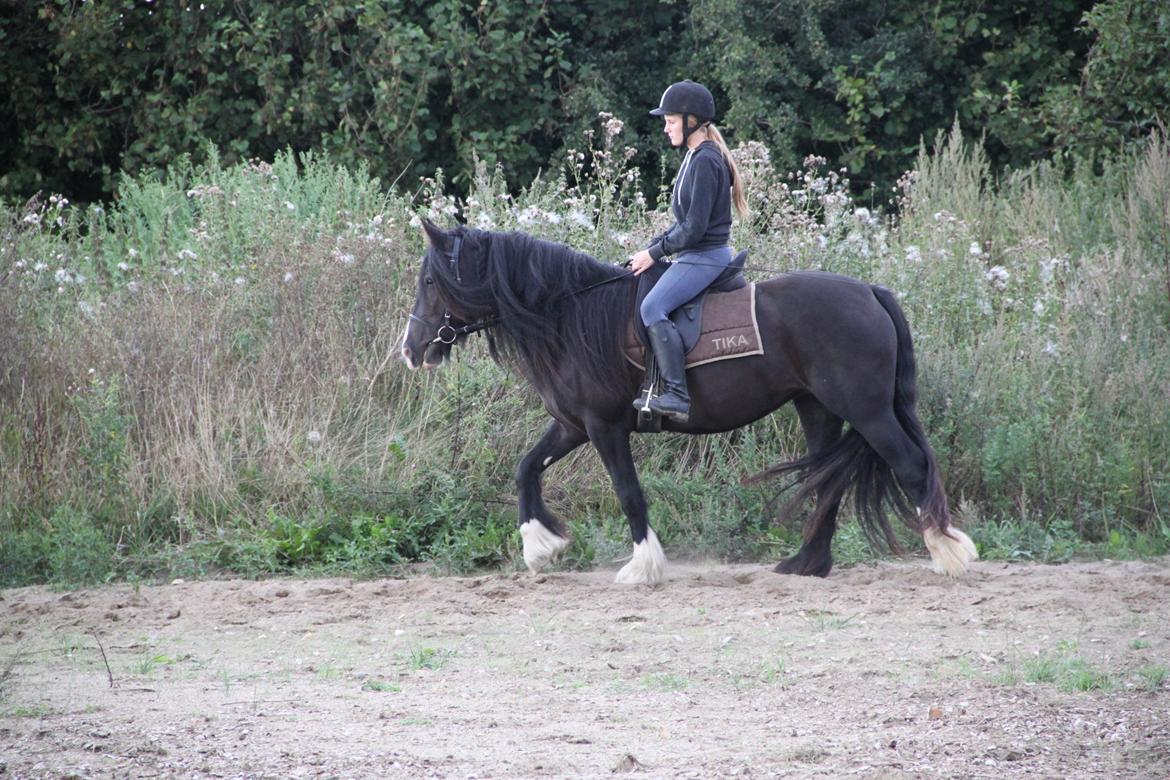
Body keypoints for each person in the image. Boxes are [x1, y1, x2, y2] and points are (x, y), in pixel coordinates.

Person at [628, 79, 749, 422]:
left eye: (670, 121)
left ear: (691, 121)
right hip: (692, 254)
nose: (666, 128)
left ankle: (677, 396)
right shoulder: (696, 156)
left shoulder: (706, 161)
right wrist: (651, 249)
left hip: (706, 256)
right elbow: (683, 222)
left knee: (652, 307)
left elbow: (694, 229)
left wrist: (655, 253)